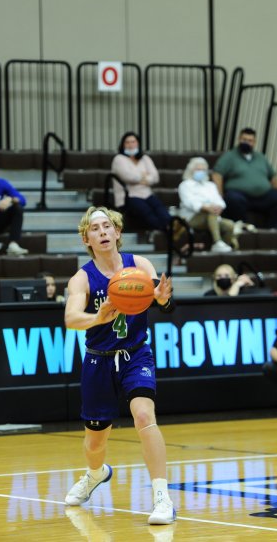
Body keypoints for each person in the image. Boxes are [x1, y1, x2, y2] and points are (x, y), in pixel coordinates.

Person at [63, 206, 175, 525]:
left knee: (143, 415)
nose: (102, 231)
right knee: (95, 441)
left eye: (107, 226)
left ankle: (161, 496)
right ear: (87, 238)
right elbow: (71, 318)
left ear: (117, 233)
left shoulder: (138, 266)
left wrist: (164, 299)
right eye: (95, 228)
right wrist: (96, 317)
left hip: (135, 355)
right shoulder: (82, 277)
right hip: (98, 360)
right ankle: (96, 474)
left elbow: (161, 300)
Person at [213, 128, 277, 228]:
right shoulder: (229, 156)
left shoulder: (260, 157)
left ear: (254, 142)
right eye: (244, 139)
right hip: (240, 196)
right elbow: (217, 174)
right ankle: (245, 228)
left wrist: (273, 189)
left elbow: (273, 176)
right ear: (239, 139)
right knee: (232, 199)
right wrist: (220, 196)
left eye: (250, 140)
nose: (246, 142)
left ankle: (272, 229)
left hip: (262, 197)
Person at [111, 132, 171, 232]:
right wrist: (145, 176)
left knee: (162, 211)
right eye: (127, 142)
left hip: (147, 194)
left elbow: (155, 177)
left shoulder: (145, 158)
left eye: (133, 142)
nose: (130, 145)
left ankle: (169, 230)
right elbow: (128, 177)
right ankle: (167, 232)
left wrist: (143, 178)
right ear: (123, 145)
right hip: (128, 196)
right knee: (147, 212)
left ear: (138, 144)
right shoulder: (119, 159)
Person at [178, 157, 237, 252]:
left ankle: (225, 247)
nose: (201, 172)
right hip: (191, 218)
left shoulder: (210, 185)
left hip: (212, 216)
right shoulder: (185, 185)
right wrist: (206, 208)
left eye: (203, 170)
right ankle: (217, 242)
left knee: (229, 225)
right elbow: (190, 202)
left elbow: (220, 201)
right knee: (211, 213)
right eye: (198, 169)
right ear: (191, 170)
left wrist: (219, 207)